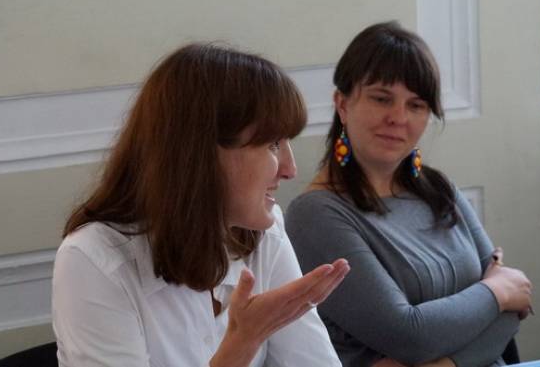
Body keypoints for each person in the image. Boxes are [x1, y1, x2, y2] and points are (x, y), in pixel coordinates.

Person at [52, 43, 350, 367]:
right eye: (273, 144)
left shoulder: (265, 231)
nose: (290, 169)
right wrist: (242, 343)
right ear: (201, 154)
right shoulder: (92, 259)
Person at [285, 22, 533, 367]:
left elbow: (514, 308)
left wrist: (444, 364)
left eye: (416, 105)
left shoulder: (440, 189)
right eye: (381, 98)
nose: (398, 117)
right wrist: (496, 291)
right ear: (342, 104)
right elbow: (410, 336)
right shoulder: (314, 214)